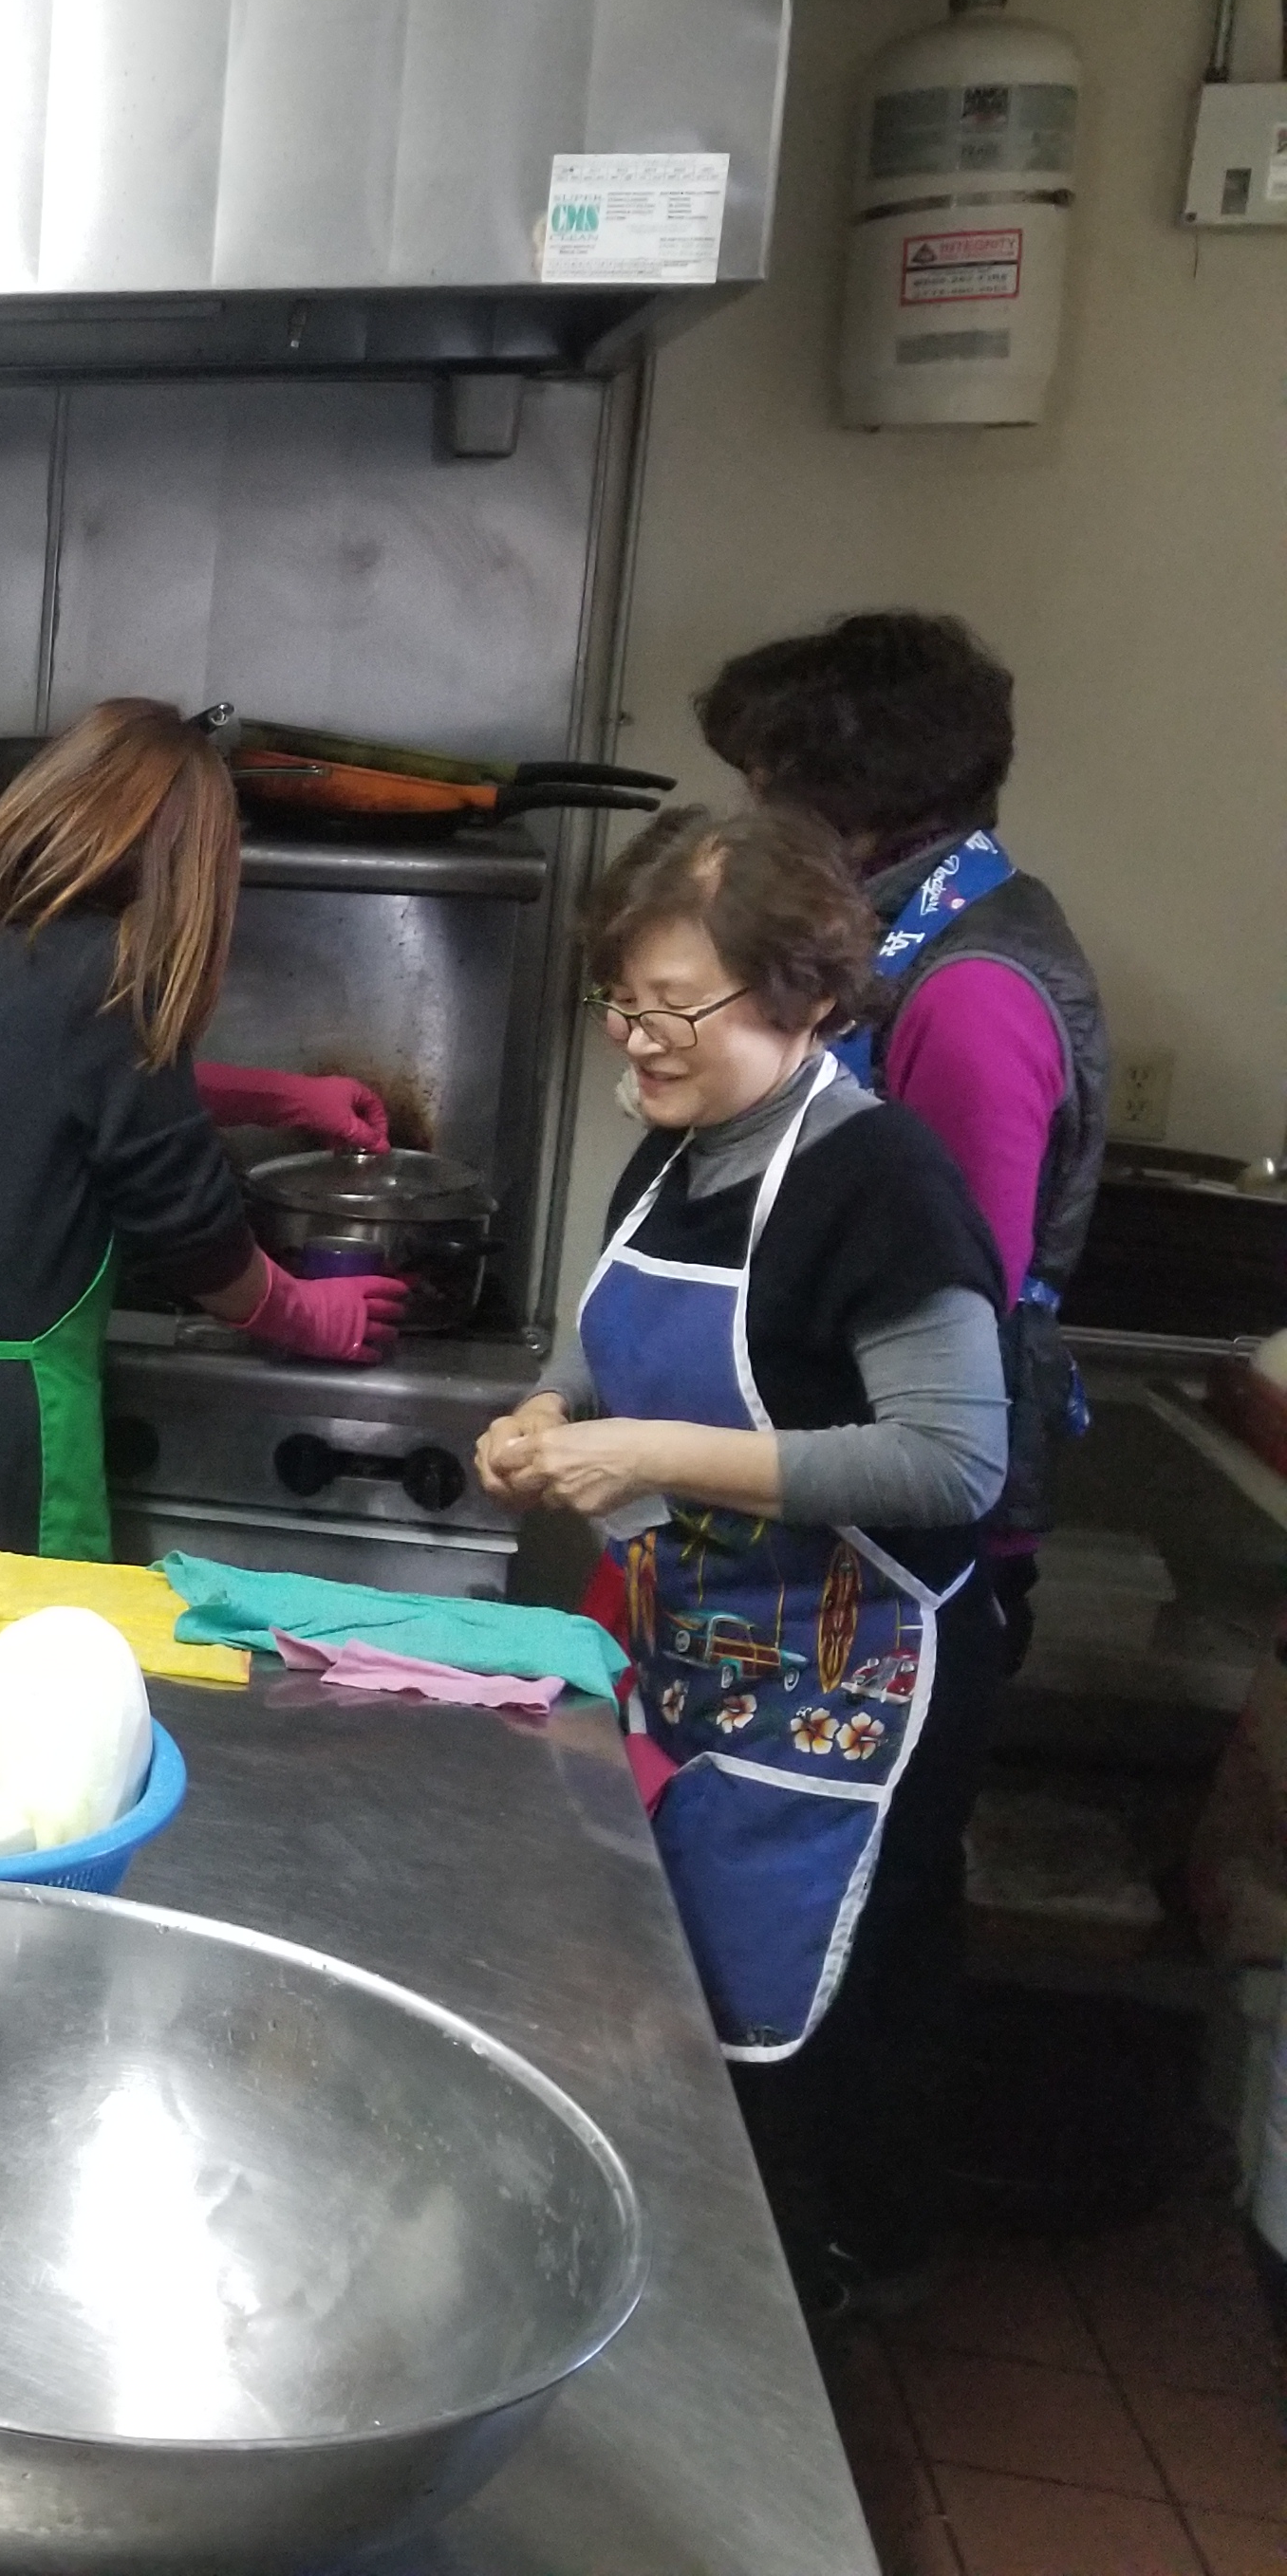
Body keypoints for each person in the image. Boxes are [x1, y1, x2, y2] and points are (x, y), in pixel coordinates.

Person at [475, 804, 1010, 2307]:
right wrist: (547, 1417)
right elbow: (598, 1352)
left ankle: (790, 2351)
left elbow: (952, 1461)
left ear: (807, 995)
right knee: (668, 2032)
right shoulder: (680, 1152)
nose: (639, 1041)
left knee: (775, 2076)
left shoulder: (879, 1181)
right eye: (622, 1003)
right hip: (697, 1670)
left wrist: (652, 1454)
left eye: (677, 1009)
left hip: (848, 1698)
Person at [0, 698, 410, 1560]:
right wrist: (308, 1316)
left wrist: (281, 1099)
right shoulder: (110, 981)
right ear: (183, 867)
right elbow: (197, 1244)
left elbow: (40, 1086)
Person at [697, 611, 1107, 1673]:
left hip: (907, 1544)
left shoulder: (972, 993)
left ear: (850, 801)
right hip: (829, 1495)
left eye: (765, 789)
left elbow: (948, 1292)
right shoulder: (911, 931)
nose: (755, 819)